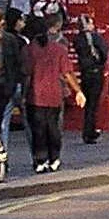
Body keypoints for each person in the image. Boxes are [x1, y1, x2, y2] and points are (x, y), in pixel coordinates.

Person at [25, 15, 84, 173]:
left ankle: (40, 159)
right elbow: (67, 73)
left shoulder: (29, 50)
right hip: (54, 95)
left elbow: (26, 73)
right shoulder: (59, 49)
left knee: (38, 129)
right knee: (53, 128)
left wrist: (23, 94)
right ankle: (54, 158)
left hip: (35, 95)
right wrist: (78, 91)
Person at [0, 4, 27, 138]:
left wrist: (16, 84)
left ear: (1, 22)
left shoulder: (10, 40)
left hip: (5, 85)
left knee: (1, 123)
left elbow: (17, 63)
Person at [71, 12, 109, 143]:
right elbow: (104, 52)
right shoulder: (95, 37)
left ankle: (88, 130)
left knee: (88, 103)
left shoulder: (78, 39)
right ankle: (89, 132)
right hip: (95, 71)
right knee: (93, 104)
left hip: (84, 73)